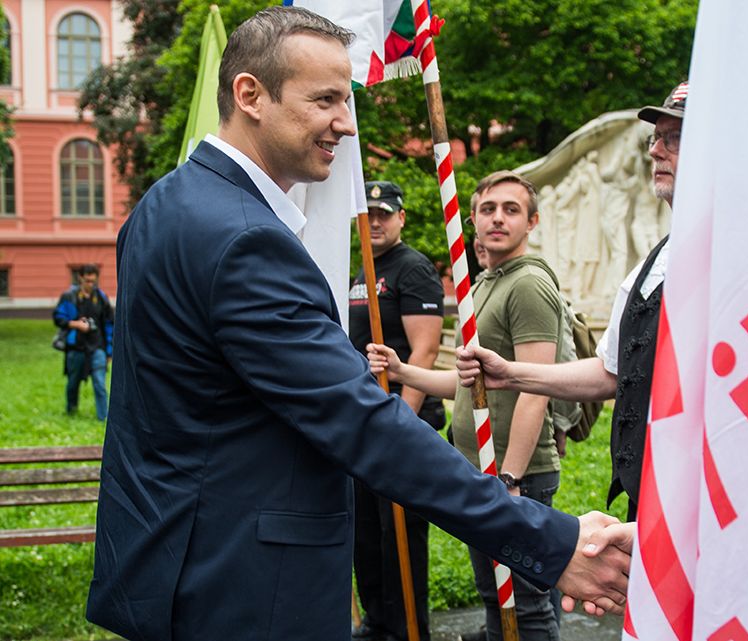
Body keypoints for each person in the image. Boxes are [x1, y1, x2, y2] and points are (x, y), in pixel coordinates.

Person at [85, 8, 628, 641]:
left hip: (173, 557)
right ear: (249, 94)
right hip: (242, 585)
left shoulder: (164, 203)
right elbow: (361, 423)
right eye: (326, 100)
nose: (346, 122)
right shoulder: (244, 240)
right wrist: (550, 538)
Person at [454, 82, 690, 521]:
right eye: (654, 139)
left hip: (711, 499)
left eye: (673, 139)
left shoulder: (742, 257)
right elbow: (609, 371)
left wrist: (511, 475)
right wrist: (510, 374)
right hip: (653, 497)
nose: (655, 151)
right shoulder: (653, 264)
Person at [368, 170, 565, 641]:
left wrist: (510, 482)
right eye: (488, 209)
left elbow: (537, 386)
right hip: (483, 472)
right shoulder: (483, 284)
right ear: (472, 219)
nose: (498, 218)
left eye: (511, 210)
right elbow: (464, 386)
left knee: (527, 609)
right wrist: (402, 370)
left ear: (532, 222)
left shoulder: (528, 284)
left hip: (516, 476)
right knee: (498, 605)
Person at [348, 180, 444, 641]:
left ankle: (409, 630)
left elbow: (424, 350)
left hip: (404, 421)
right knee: (365, 532)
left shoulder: (413, 269)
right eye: (369, 214)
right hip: (364, 422)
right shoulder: (359, 270)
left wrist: (398, 422)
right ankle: (378, 622)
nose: (378, 222)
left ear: (401, 217)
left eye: (385, 213)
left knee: (400, 534)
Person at [53, 263, 114, 421]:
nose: (90, 284)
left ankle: (104, 417)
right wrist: (76, 324)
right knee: (73, 383)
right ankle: (71, 412)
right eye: (87, 281)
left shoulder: (101, 297)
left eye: (93, 281)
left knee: (100, 383)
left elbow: (109, 324)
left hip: (97, 346)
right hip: (76, 346)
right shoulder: (69, 296)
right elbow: (58, 318)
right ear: (80, 278)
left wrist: (109, 350)